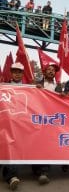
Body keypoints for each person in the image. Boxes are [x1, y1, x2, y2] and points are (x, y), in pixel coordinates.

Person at [33, 62, 62, 184]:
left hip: (51, 120)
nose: (51, 71)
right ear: (44, 72)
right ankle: (35, 168)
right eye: (49, 69)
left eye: (53, 70)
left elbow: (62, 102)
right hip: (36, 118)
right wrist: (35, 89)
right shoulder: (36, 84)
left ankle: (44, 172)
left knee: (47, 145)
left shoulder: (59, 86)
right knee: (36, 144)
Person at [2, 62, 24, 190]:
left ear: (22, 73)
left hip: (21, 123)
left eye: (19, 71)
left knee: (14, 147)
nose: (17, 73)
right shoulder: (3, 87)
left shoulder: (30, 88)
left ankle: (11, 176)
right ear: (11, 73)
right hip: (5, 122)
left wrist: (38, 89)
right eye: (14, 71)